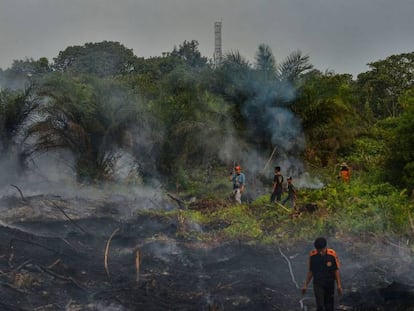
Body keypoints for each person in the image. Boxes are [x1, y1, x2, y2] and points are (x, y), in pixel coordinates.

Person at [302, 237, 343, 311]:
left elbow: (336, 270)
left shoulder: (332, 254)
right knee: (320, 305)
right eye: (318, 250)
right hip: (318, 283)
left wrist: (339, 285)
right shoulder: (312, 255)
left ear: (325, 247)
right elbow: (311, 271)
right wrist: (305, 285)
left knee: (329, 306)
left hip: (329, 283)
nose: (320, 252)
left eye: (322, 250)